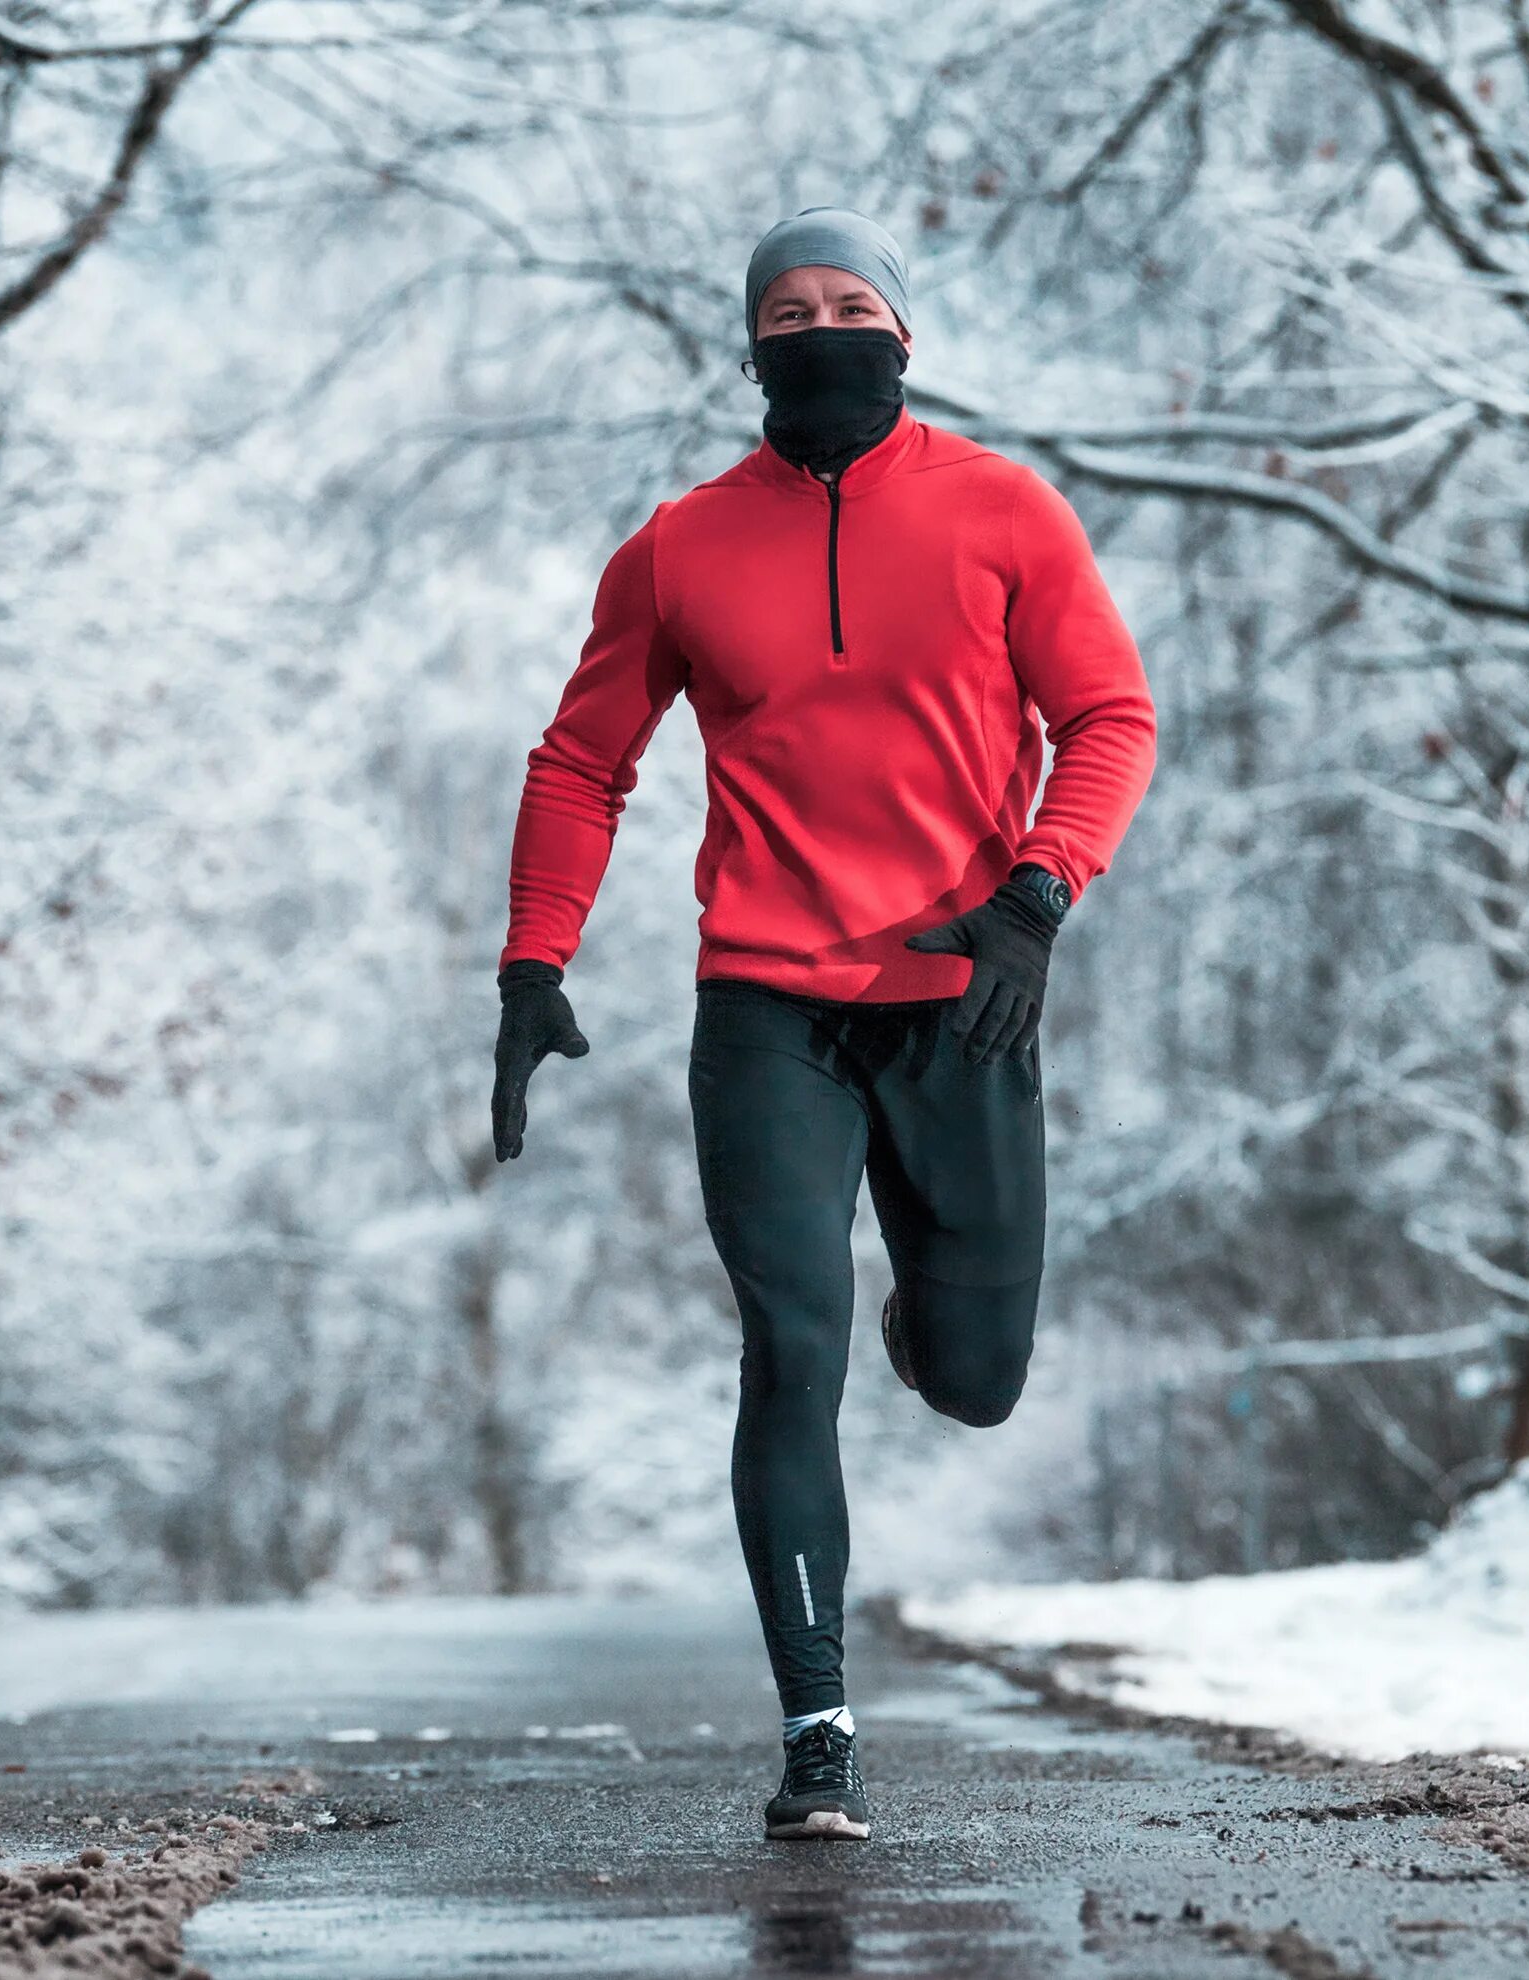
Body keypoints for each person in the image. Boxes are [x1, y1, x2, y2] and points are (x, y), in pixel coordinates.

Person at [487, 206, 1158, 1842]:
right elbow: (584, 762)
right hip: (767, 1007)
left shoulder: (1004, 511)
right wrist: (531, 964)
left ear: (903, 340)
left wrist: (1040, 890)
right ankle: (820, 1732)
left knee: (980, 1377)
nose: (820, 327)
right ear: (751, 348)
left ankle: (936, 1315)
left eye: (851, 304)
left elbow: (1110, 716)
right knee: (789, 1347)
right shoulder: (680, 546)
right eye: (788, 309)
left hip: (963, 1004)